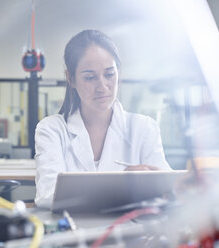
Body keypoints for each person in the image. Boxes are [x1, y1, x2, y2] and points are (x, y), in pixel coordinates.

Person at [34, 30, 171, 208]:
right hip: (72, 232)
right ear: (71, 79)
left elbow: (167, 189)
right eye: (90, 77)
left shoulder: (144, 128)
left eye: (109, 74)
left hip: (129, 230)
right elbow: (48, 195)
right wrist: (121, 186)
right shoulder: (52, 130)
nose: (102, 87)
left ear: (118, 72)